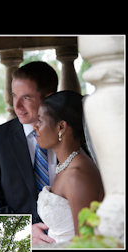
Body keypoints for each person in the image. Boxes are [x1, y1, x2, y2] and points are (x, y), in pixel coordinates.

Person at [0, 61, 59, 244]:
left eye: (27, 98)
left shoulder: (72, 133)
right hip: (21, 244)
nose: (17, 106)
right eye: (14, 96)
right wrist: (24, 229)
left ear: (49, 98)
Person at [34, 90, 104, 243]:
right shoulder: (66, 166)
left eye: (40, 121)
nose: (35, 127)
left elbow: (87, 243)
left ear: (61, 127)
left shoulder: (76, 176)